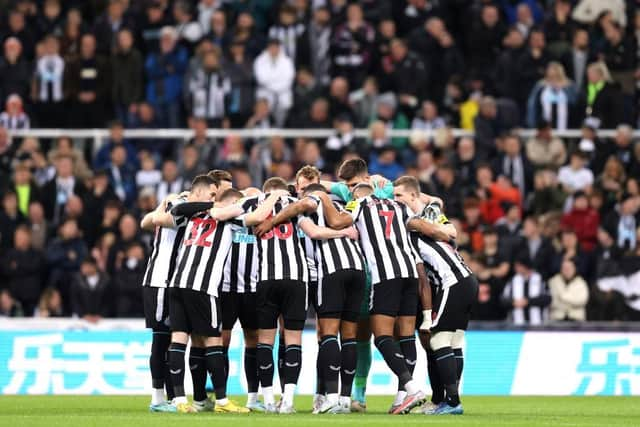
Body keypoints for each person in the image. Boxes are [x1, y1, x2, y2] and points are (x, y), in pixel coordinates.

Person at [168, 176, 279, 413]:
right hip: (202, 286)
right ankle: (221, 401)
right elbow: (258, 217)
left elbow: (176, 210)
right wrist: (275, 196)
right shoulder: (227, 218)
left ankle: (179, 401)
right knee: (214, 341)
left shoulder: (191, 216)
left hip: (178, 283)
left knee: (179, 339)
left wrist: (211, 206)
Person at [256, 179, 364, 414]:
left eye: (305, 189)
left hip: (323, 274)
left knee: (325, 335)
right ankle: (338, 398)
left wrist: (273, 219)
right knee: (346, 336)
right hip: (353, 271)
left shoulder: (304, 208)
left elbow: (313, 232)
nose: (301, 192)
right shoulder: (345, 206)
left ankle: (328, 398)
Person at [392, 175, 475, 415]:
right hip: (466, 279)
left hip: (453, 281)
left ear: (413, 196)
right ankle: (444, 400)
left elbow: (450, 230)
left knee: (437, 341)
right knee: (453, 342)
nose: (396, 200)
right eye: (394, 196)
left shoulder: (413, 225)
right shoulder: (427, 214)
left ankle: (452, 402)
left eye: (400, 196)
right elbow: (448, 227)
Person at [139, 191, 194, 412]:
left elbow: (147, 220)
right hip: (160, 281)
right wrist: (167, 202)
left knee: (172, 341)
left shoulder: (173, 204)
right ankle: (157, 399)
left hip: (172, 283)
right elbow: (152, 220)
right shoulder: (180, 208)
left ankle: (172, 397)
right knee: (161, 340)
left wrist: (163, 202)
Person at [253, 38, 295, 127]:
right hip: (265, 94)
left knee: (283, 115)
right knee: (263, 113)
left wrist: (273, 82)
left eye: (276, 47)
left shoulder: (287, 61)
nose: (274, 49)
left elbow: (288, 79)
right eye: (272, 47)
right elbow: (262, 79)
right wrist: (277, 81)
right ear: (268, 48)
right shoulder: (260, 60)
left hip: (283, 94)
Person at [501, 252, 550, 325]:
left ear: (525, 266)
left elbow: (547, 298)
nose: (516, 268)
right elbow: (503, 299)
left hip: (538, 324)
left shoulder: (540, 279)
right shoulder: (512, 280)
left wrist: (528, 301)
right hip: (516, 324)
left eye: (518, 266)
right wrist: (513, 302)